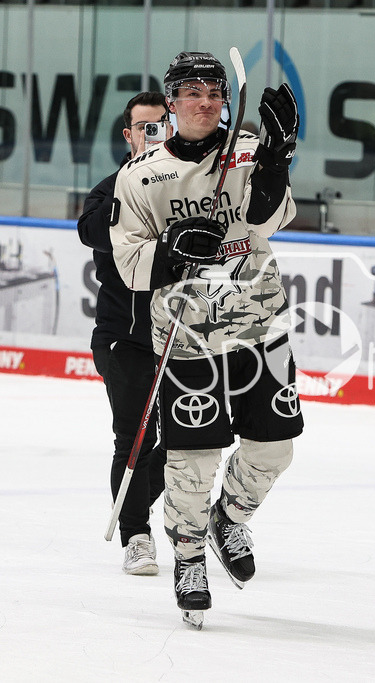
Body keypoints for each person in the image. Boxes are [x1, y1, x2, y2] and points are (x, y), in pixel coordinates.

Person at [110, 52, 303, 617]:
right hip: (187, 335)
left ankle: (231, 516)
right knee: (193, 459)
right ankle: (189, 556)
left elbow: (269, 220)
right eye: (192, 92)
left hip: (260, 325)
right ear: (171, 103)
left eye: (215, 92)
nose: (206, 102)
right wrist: (171, 253)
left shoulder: (248, 151)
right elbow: (130, 263)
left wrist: (277, 159)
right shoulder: (141, 174)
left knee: (276, 447)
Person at [78, 92, 172, 576]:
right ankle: (137, 535)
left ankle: (140, 504)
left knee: (189, 439)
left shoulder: (188, 185)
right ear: (129, 134)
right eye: (144, 128)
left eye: (162, 126)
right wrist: (134, 183)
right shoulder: (109, 189)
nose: (154, 135)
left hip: (182, 338)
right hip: (125, 338)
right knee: (135, 438)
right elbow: (90, 231)